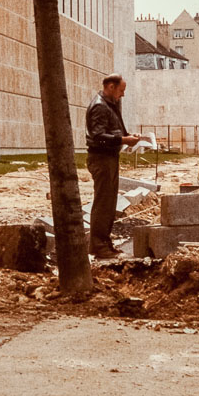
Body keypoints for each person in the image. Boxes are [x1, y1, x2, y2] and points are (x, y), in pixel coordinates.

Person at [85, 74, 139, 259]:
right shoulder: (100, 106)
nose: (122, 95)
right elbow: (98, 135)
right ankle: (99, 246)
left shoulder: (110, 105)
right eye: (121, 90)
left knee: (109, 203)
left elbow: (113, 131)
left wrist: (128, 136)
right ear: (110, 86)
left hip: (109, 158)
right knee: (103, 203)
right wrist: (124, 139)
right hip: (101, 159)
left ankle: (104, 243)